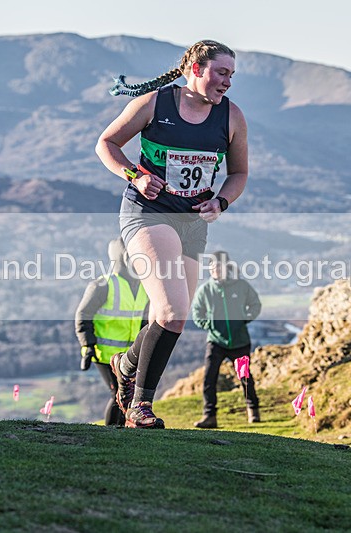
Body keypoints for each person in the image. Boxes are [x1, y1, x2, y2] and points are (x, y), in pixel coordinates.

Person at [95, 40, 248, 428]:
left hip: (193, 222)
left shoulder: (232, 117)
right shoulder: (154, 104)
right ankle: (140, 408)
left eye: (231, 74)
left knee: (168, 316)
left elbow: (239, 174)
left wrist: (221, 203)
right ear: (196, 69)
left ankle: (126, 364)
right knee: (173, 311)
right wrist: (136, 174)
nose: (228, 82)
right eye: (221, 73)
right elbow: (106, 143)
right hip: (148, 213)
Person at [74, 237, 149, 427]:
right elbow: (83, 314)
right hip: (105, 354)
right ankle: (110, 433)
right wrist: (87, 346)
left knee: (126, 395)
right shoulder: (103, 285)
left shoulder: (145, 286)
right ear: (122, 258)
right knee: (118, 392)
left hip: (131, 355)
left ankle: (121, 431)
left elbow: (146, 320)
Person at [192, 251, 262, 428]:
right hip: (216, 341)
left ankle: (253, 410)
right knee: (209, 378)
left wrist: (245, 319)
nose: (215, 269)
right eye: (212, 266)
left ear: (226, 267)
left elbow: (255, 304)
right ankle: (209, 416)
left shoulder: (241, 286)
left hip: (239, 342)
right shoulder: (206, 290)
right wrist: (208, 325)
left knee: (244, 376)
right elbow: (196, 312)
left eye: (218, 266)